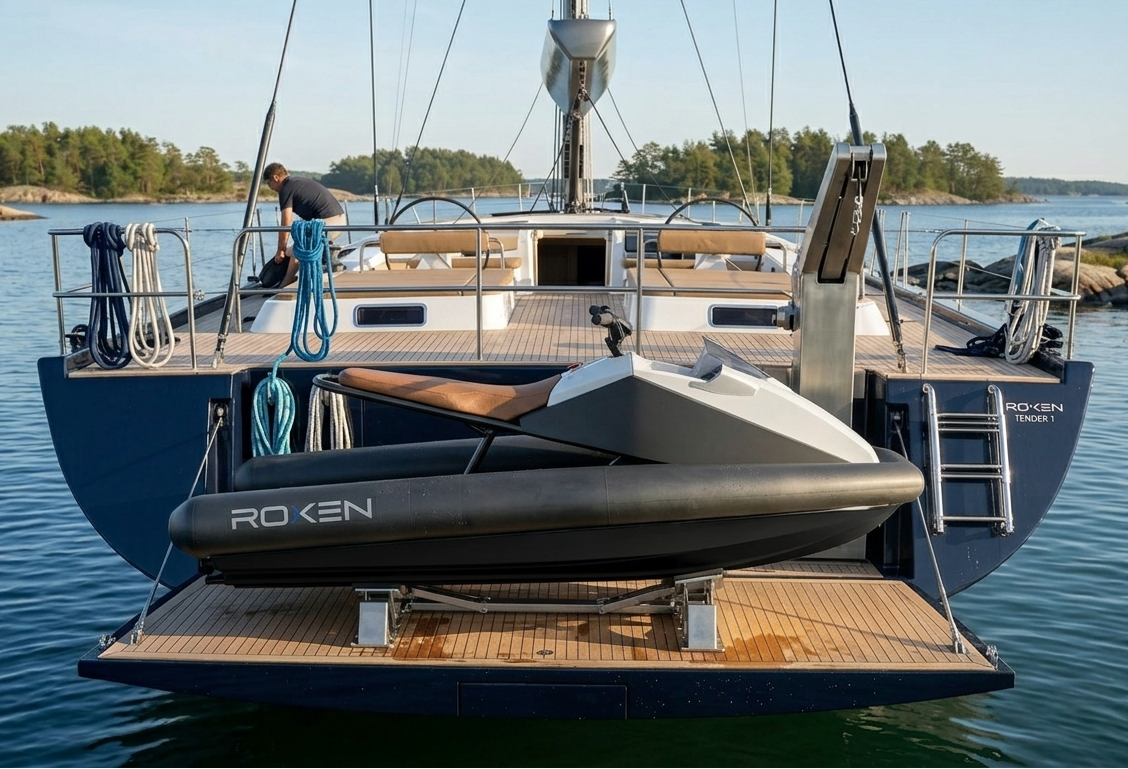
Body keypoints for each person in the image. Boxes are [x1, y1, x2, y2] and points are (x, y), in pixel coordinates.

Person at [262, 162, 347, 286]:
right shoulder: (295, 183)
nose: (269, 186)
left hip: (329, 223)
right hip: (338, 220)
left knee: (297, 248)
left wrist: (281, 250)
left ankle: (287, 280)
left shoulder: (286, 189)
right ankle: (289, 279)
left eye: (268, 182)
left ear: (275, 178)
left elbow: (286, 223)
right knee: (299, 245)